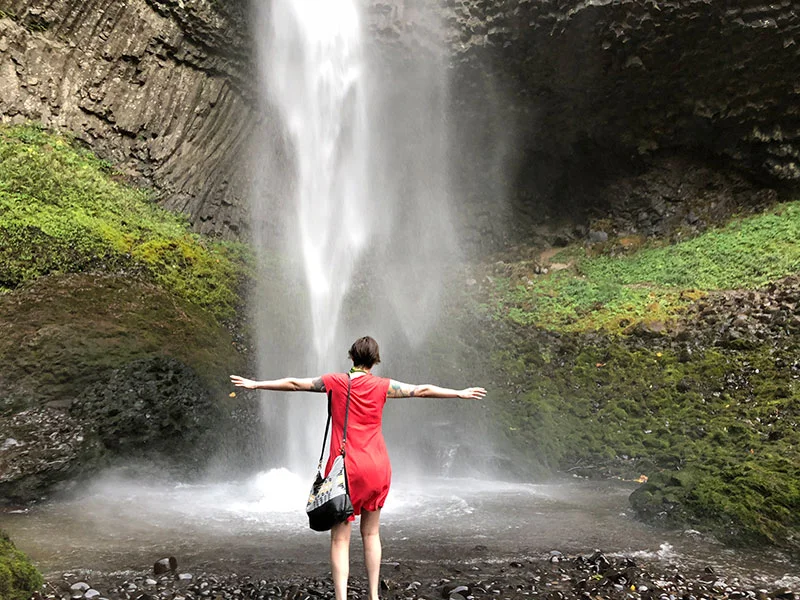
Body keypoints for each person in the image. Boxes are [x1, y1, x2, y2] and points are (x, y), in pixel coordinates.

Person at [230, 335, 486, 600]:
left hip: (345, 468)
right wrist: (458, 393)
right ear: (375, 361)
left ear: (351, 356)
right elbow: (421, 390)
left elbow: (295, 383)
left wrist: (255, 384)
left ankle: (342, 598)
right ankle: (373, 595)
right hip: (376, 466)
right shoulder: (383, 386)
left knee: (340, 539)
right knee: (372, 533)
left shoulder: (334, 382)